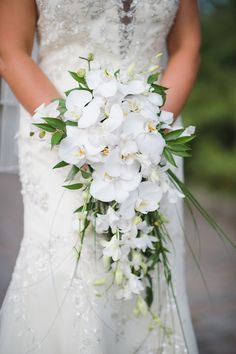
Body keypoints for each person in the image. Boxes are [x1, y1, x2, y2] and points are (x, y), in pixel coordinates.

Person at [0, 1, 201, 353]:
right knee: (67, 264)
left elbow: (187, 46)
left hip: (152, 136)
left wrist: (148, 133)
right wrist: (79, 138)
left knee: (144, 265)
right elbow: (10, 51)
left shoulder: (151, 135)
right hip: (59, 131)